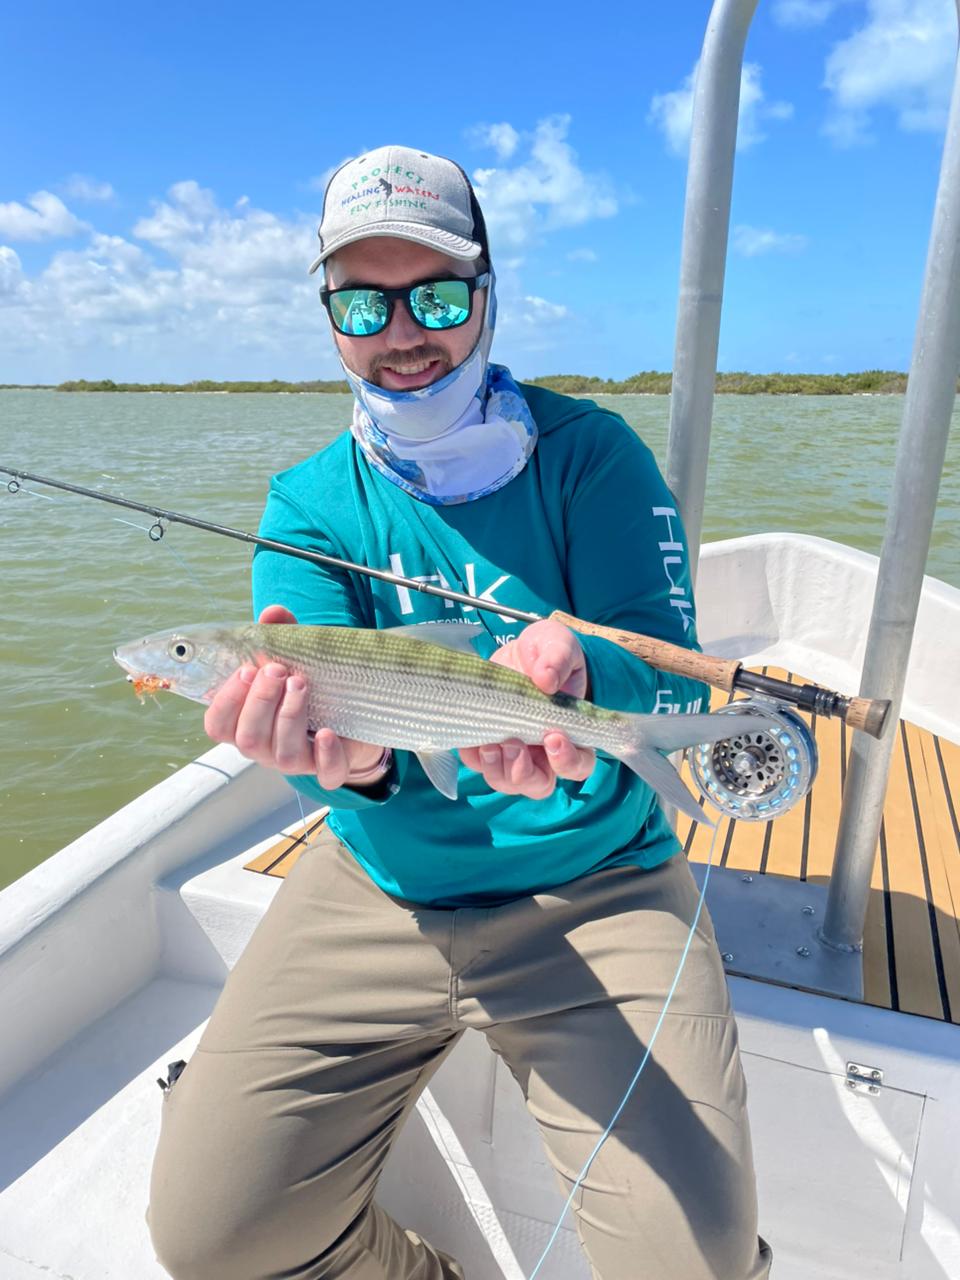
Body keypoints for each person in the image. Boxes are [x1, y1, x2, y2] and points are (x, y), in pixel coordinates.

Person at [147, 145, 772, 1280]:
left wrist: (587, 670)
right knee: (211, 1236)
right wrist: (350, 765)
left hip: (596, 879)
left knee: (697, 1264)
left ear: (487, 296)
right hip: (381, 879)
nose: (403, 333)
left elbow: (681, 679)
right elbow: (346, 750)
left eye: (435, 296)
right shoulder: (307, 503)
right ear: (330, 317)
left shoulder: (592, 457)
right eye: (363, 303)